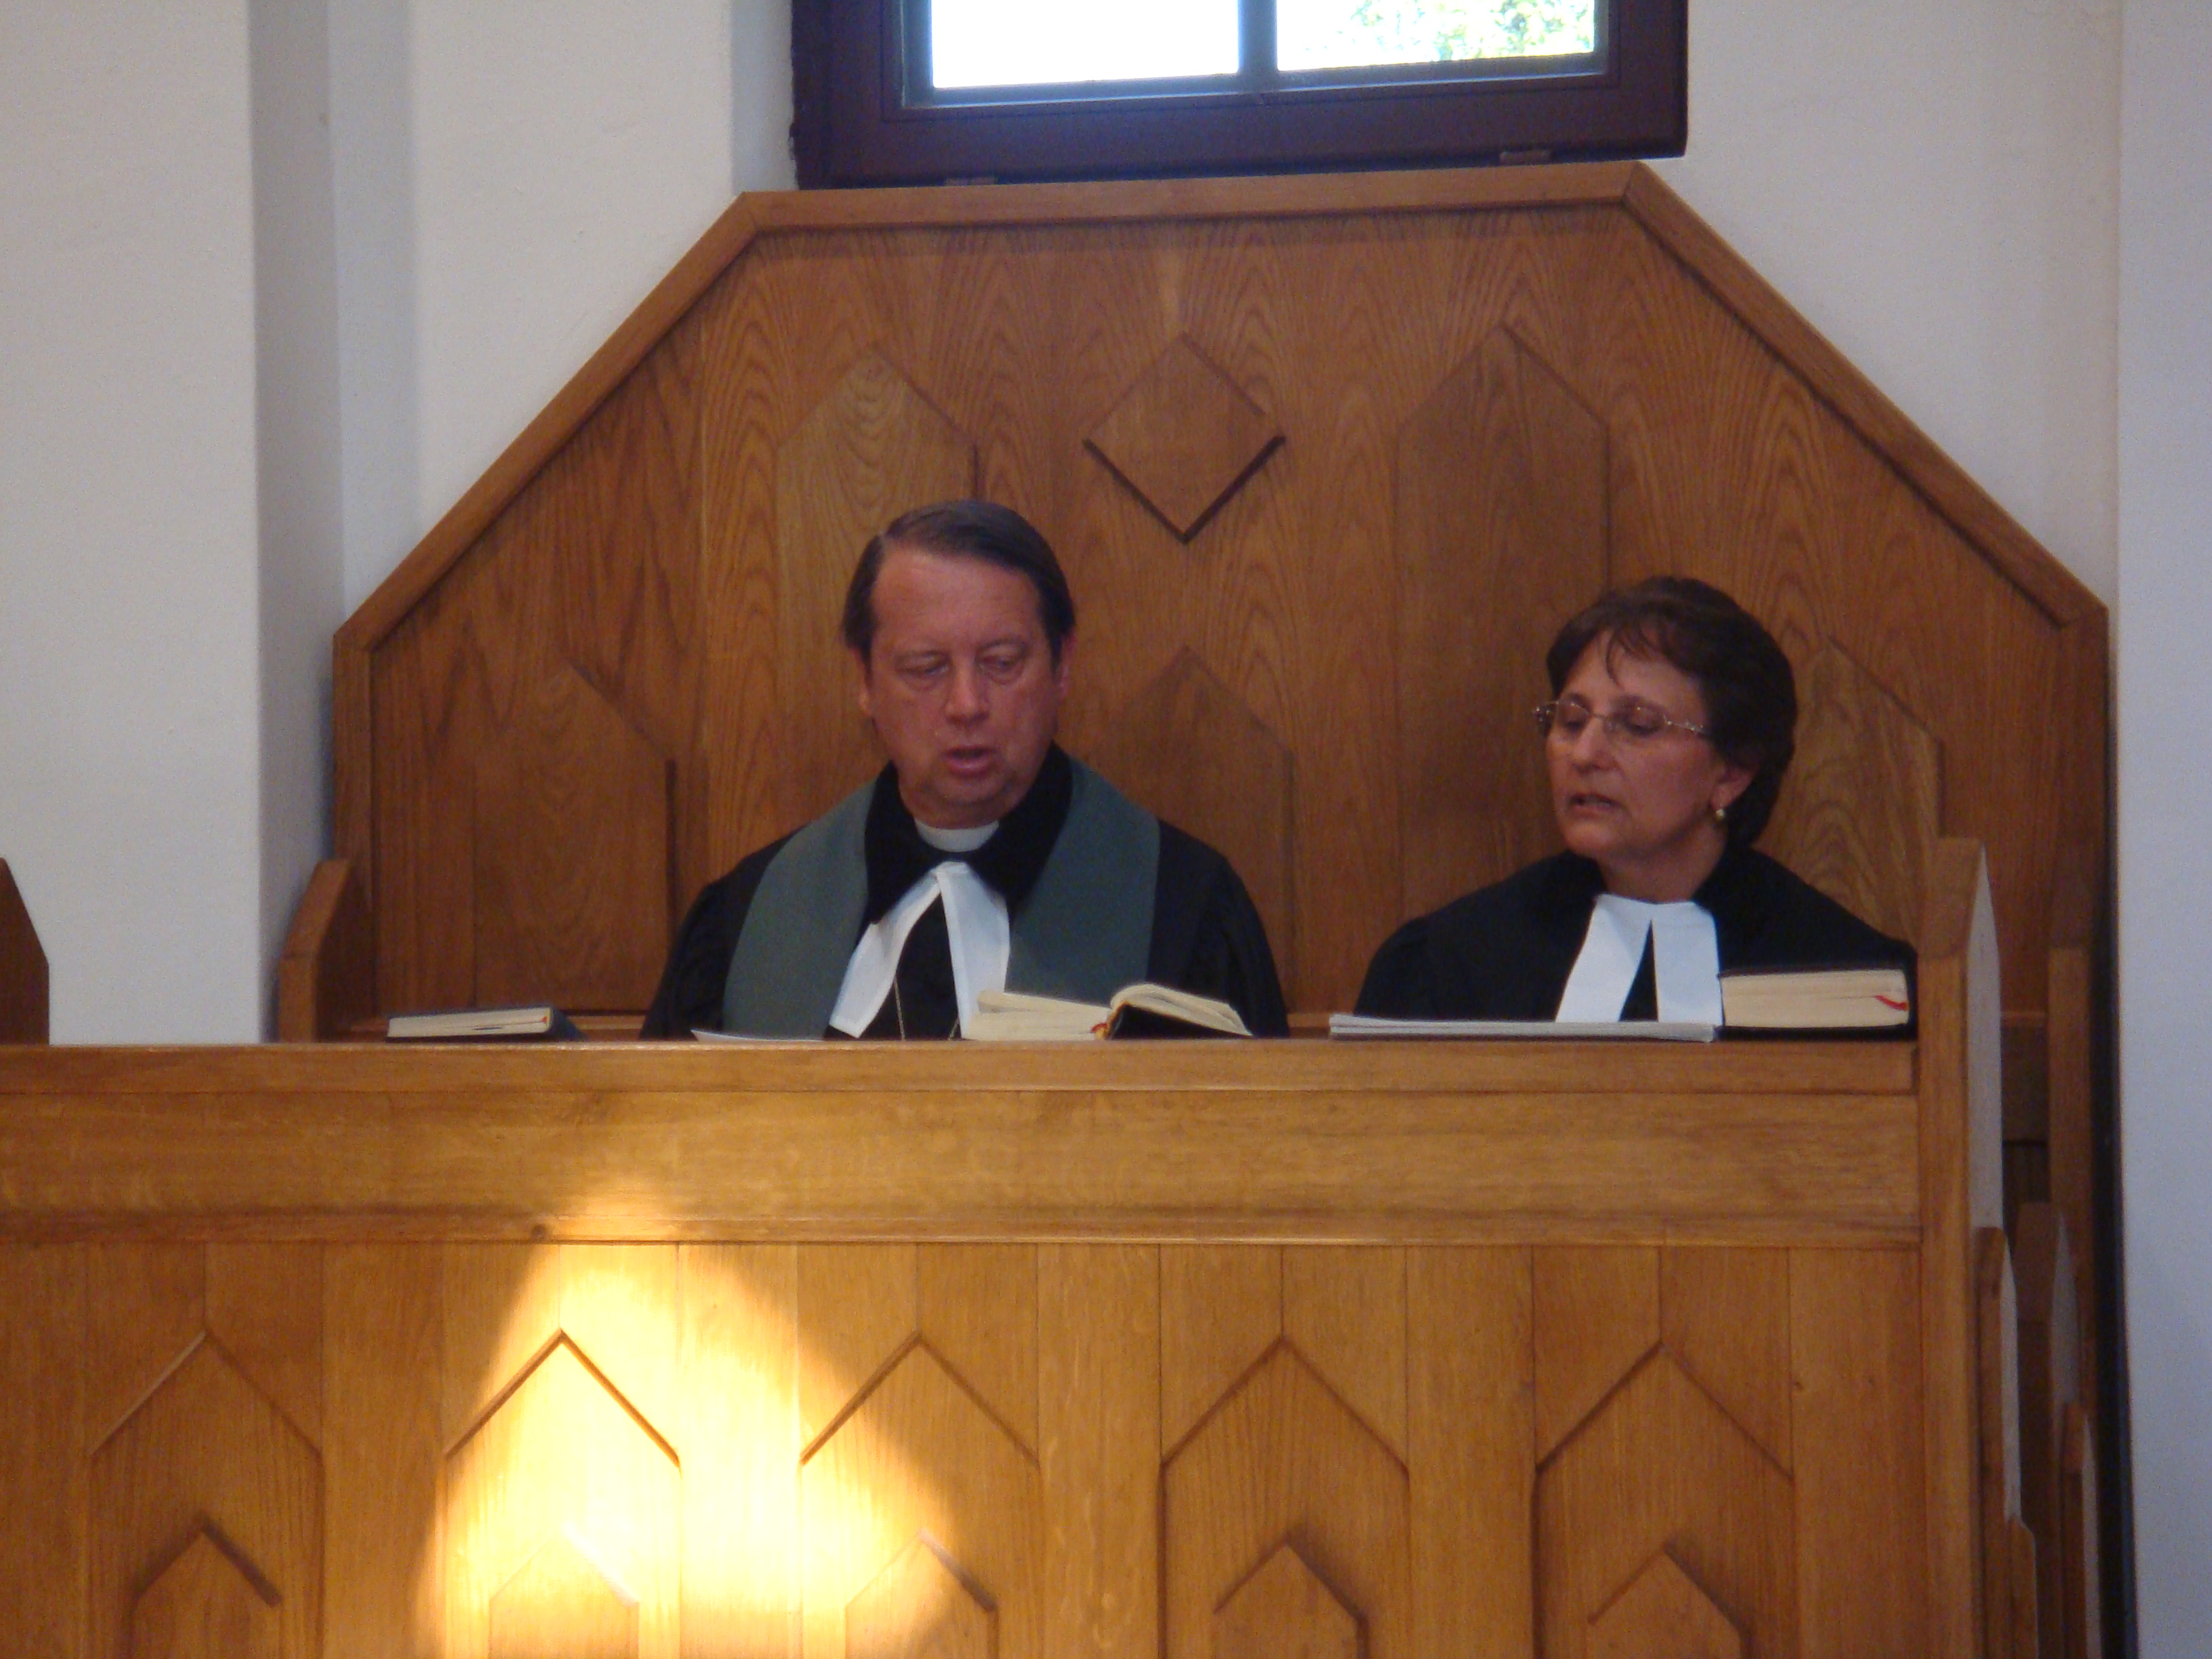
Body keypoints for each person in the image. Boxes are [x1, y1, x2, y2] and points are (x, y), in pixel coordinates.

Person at [644, 499, 1288, 1039]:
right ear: (864, 679)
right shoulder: (754, 914)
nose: (966, 704)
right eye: (925, 668)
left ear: (1062, 664)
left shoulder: (1184, 908)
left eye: (1002, 662)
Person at [1357, 576, 1914, 1026]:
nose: (1585, 754)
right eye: (1571, 720)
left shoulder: (1849, 980)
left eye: (1639, 725)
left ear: (1732, 771)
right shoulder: (1449, 965)